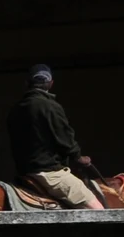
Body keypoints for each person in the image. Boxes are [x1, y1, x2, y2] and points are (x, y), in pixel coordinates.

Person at [7, 63, 103, 209]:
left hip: (24, 172)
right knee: (98, 210)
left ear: (27, 83)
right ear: (50, 84)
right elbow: (64, 139)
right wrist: (79, 157)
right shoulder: (51, 106)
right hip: (50, 174)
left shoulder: (15, 110)